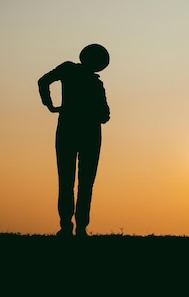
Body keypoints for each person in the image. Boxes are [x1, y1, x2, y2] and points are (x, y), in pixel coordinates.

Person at [38, 44, 111, 237]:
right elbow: (43, 81)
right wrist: (50, 105)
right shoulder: (70, 70)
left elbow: (105, 114)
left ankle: (76, 227)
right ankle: (70, 226)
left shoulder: (95, 83)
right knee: (74, 181)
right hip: (78, 131)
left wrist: (52, 106)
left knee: (78, 182)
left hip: (80, 131)